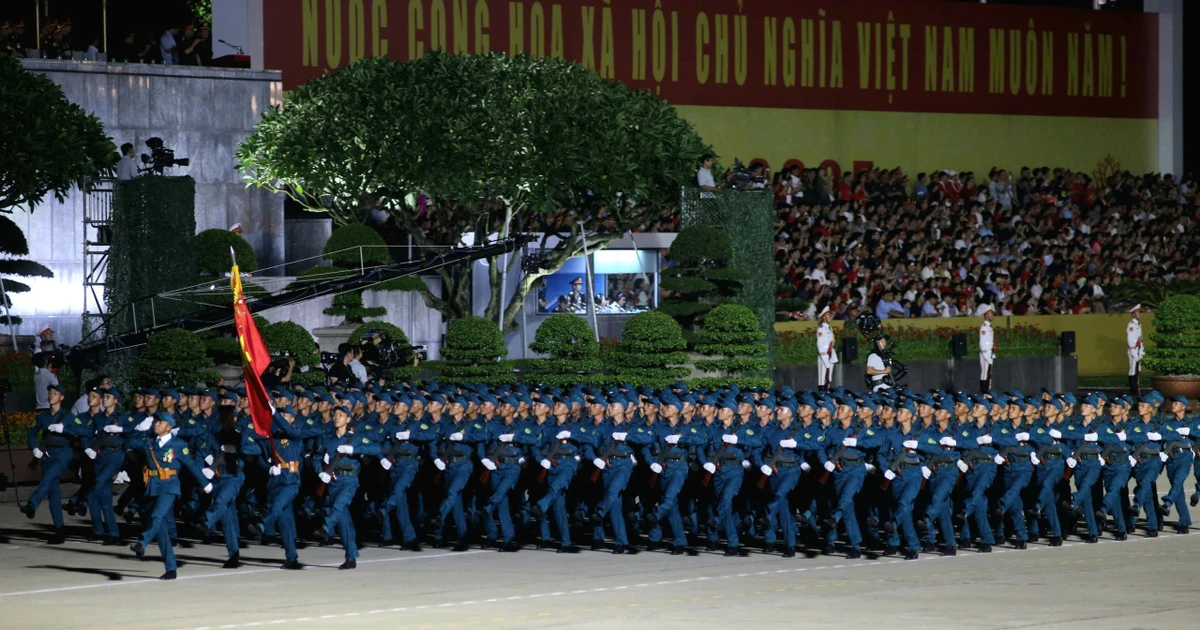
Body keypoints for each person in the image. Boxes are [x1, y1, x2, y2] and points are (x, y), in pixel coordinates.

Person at [129, 412, 213, 579]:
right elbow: (129, 442)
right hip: (153, 487)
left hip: (169, 487)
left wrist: (204, 483)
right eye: (155, 422)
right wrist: (140, 430)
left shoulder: (178, 445)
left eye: (160, 422)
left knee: (157, 515)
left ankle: (141, 542)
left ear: (169, 426)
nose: (156, 424)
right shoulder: (150, 443)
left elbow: (191, 465)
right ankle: (171, 568)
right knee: (161, 530)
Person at [815, 306, 838, 392]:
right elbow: (820, 346)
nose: (830, 317)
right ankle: (822, 395)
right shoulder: (821, 329)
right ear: (824, 317)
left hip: (830, 355)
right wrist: (825, 360)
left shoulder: (829, 328)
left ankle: (827, 392)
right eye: (828, 315)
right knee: (822, 378)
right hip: (824, 356)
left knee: (829, 378)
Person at [1127, 304, 1143, 397]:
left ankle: (1137, 388)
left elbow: (1140, 339)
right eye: (1138, 312)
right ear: (1133, 314)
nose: (1139, 314)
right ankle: (1133, 390)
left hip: (1138, 349)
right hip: (1134, 350)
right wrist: (1134, 353)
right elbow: (1131, 340)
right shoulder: (1131, 325)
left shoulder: (1137, 324)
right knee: (1133, 370)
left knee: (1138, 369)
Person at [979, 306, 996, 392]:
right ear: (986, 315)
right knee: (984, 373)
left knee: (988, 374)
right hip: (986, 354)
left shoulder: (989, 326)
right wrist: (987, 356)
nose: (993, 316)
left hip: (990, 353)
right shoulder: (984, 327)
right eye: (991, 314)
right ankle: (983, 391)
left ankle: (986, 390)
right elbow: (983, 343)